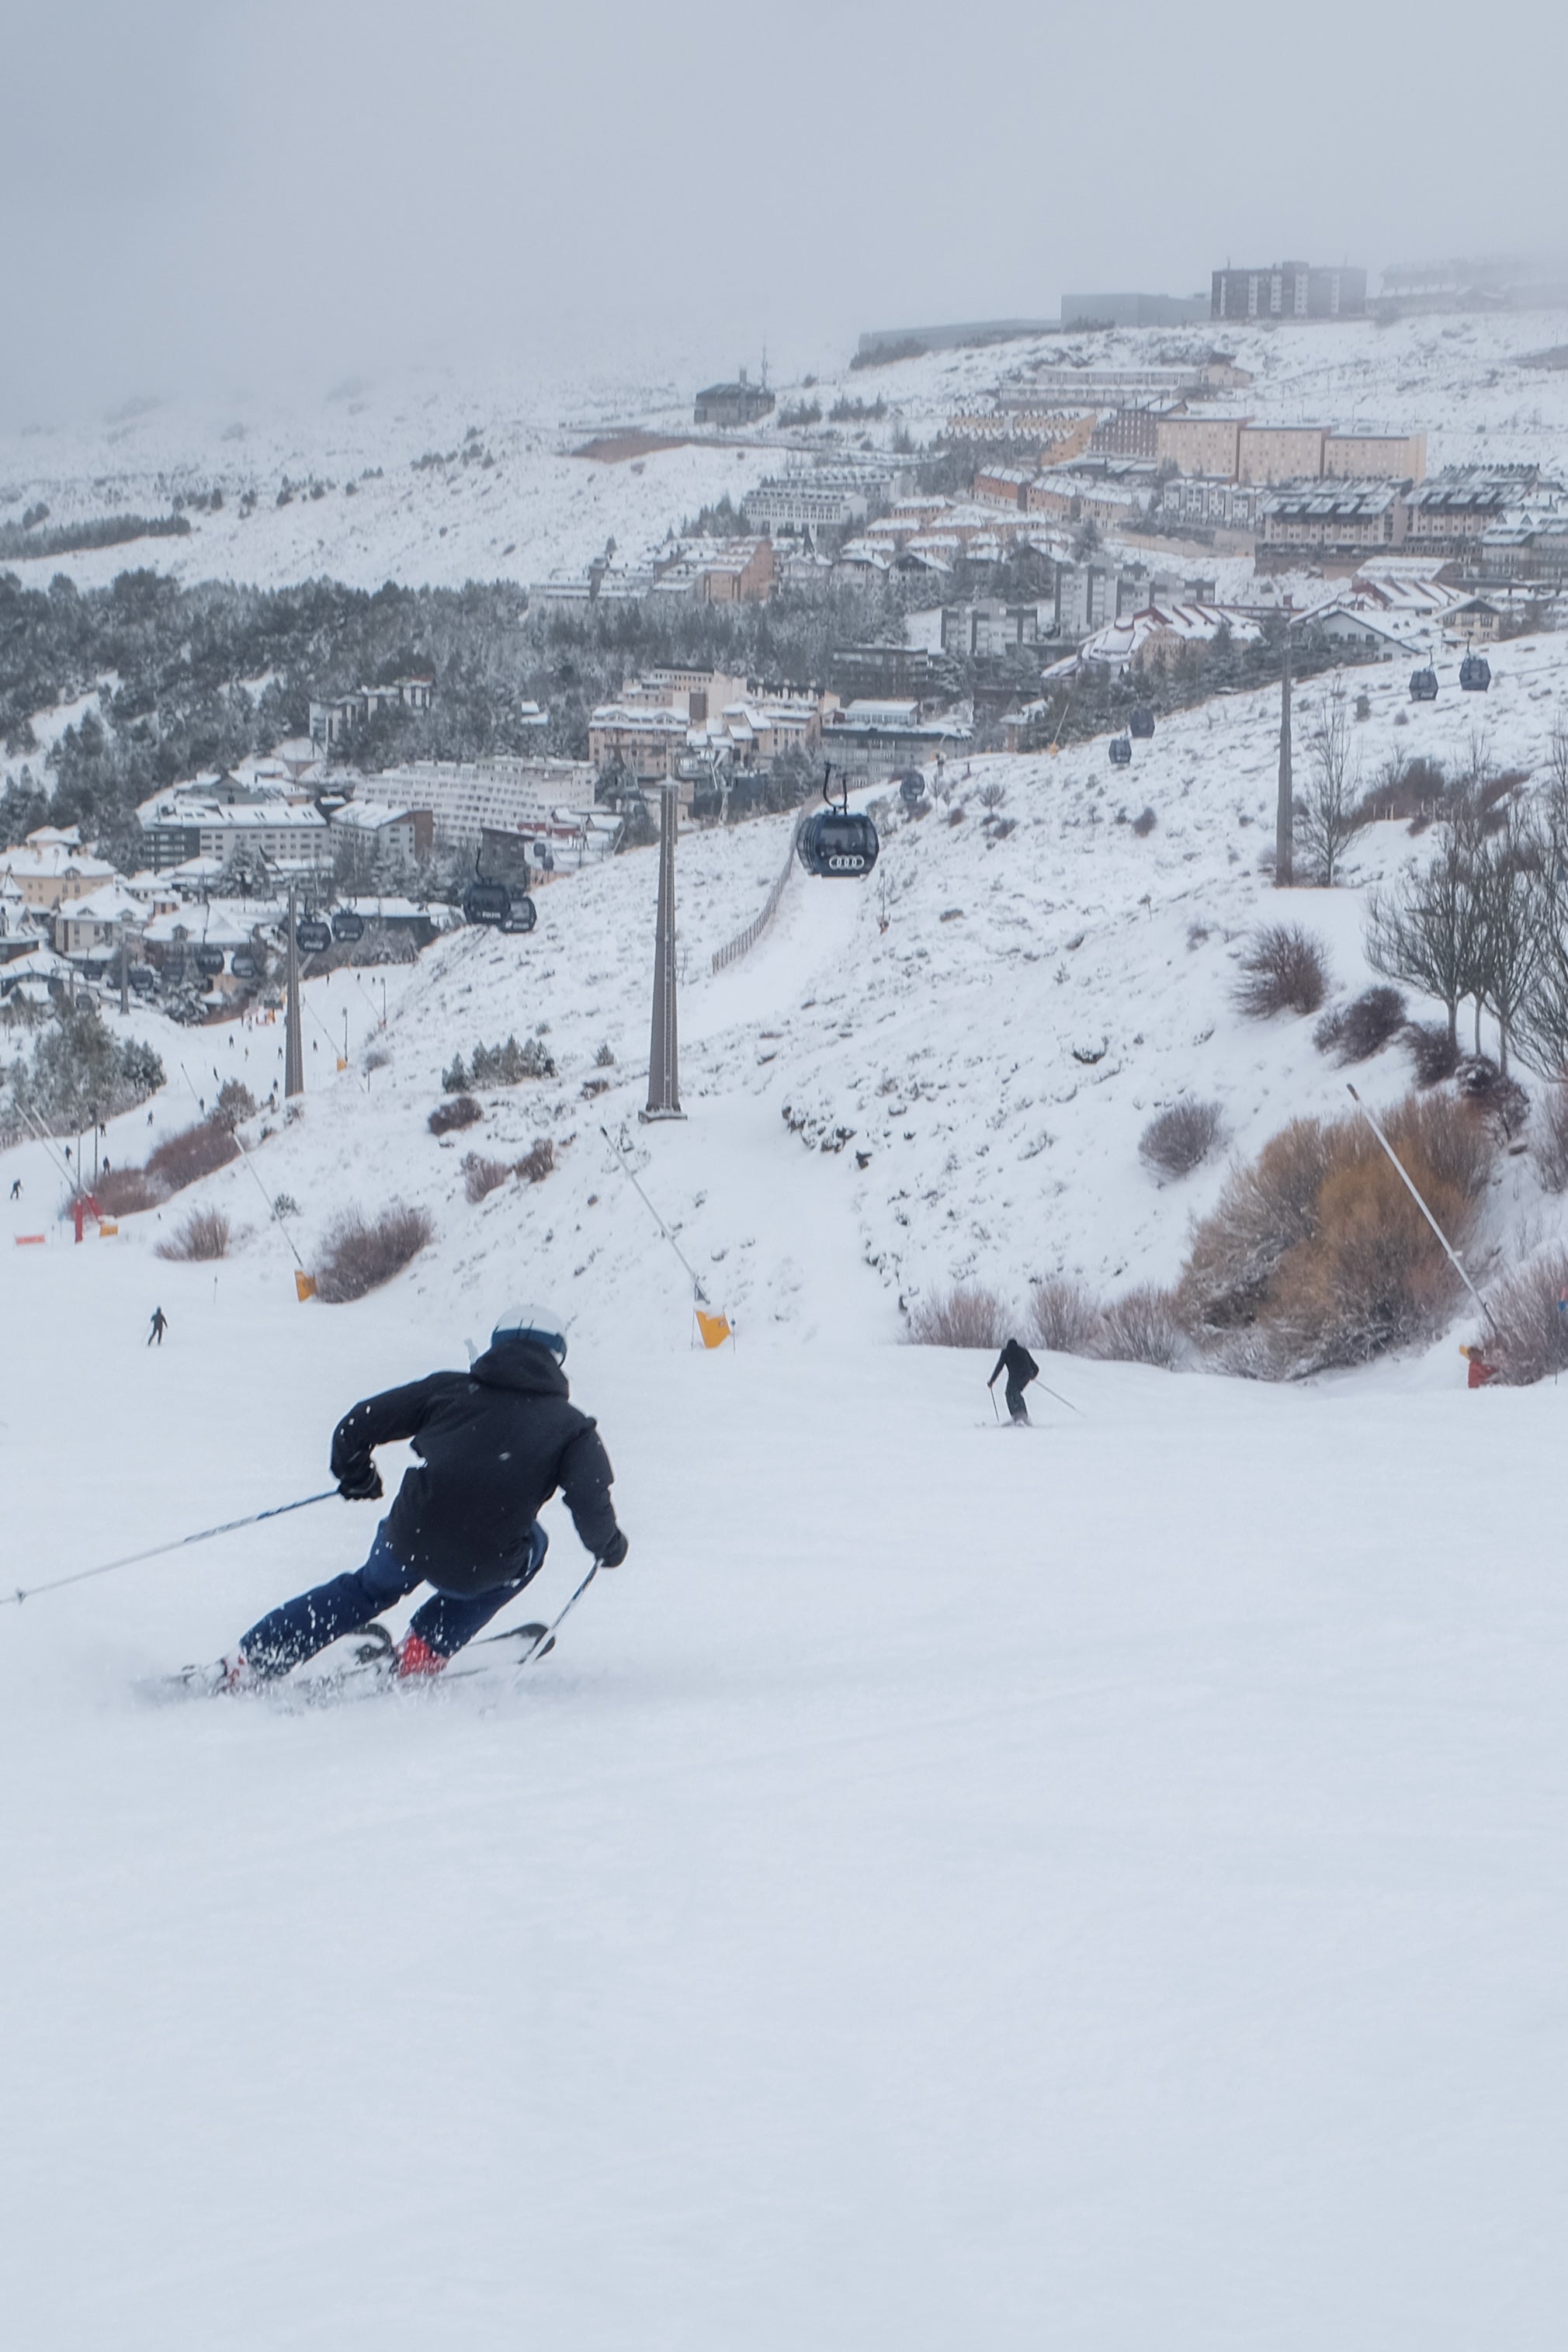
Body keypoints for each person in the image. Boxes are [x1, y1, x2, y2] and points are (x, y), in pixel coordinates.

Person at [206, 1306, 627, 1691]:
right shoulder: (574, 1429)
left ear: (496, 1346)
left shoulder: (450, 1389)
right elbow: (591, 1504)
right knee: (534, 1545)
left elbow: (357, 1424)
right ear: (558, 1360)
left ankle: (254, 1657)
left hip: (410, 1535)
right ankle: (423, 1650)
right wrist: (608, 1547)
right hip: (487, 1560)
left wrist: (358, 1476)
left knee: (366, 1589)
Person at [987, 1336, 1039, 1424]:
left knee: (1009, 1393)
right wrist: (1033, 1375)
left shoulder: (1006, 1352)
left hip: (1015, 1376)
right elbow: (1036, 1368)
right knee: (1016, 1393)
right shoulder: (1024, 1351)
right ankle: (1023, 1415)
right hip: (1026, 1376)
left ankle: (1017, 1415)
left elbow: (999, 1367)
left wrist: (992, 1381)